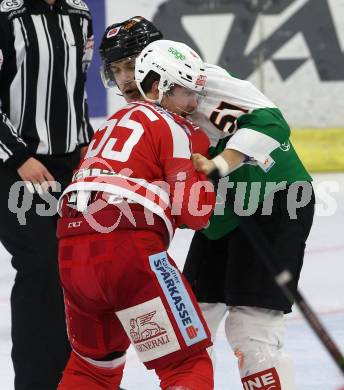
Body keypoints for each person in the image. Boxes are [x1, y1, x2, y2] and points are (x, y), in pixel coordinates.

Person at [56, 39, 216, 390]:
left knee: (93, 370)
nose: (193, 103)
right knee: (186, 363)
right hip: (128, 251)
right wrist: (210, 176)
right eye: (187, 91)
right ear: (159, 86)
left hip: (72, 252)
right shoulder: (174, 127)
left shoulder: (111, 123)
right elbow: (194, 214)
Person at [183, 64, 315, 389]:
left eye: (131, 66)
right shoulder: (155, 113)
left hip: (275, 198)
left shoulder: (207, 88)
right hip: (222, 215)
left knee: (252, 329)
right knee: (188, 324)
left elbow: (272, 123)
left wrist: (219, 163)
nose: (126, 78)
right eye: (117, 69)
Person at [0, 0, 94, 388]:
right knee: (41, 266)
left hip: (70, 164)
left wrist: (87, 146)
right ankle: (37, 382)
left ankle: (76, 378)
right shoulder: (7, 15)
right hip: (15, 165)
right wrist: (19, 156)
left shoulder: (80, 13)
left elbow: (77, 89)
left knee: (77, 272)